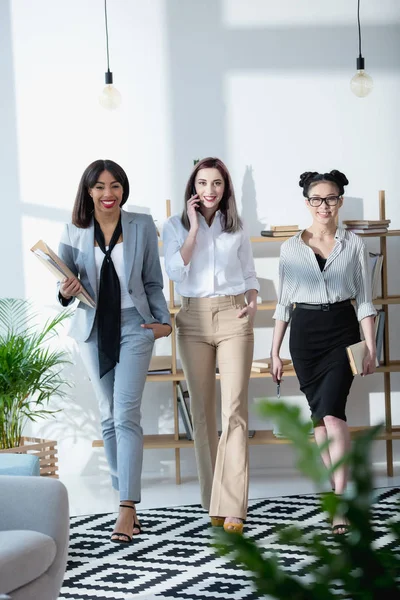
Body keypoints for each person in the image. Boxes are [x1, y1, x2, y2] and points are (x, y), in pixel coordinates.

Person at [58, 159, 171, 543]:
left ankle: (127, 507)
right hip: (93, 328)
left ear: (124, 189)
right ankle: (121, 496)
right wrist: (64, 291)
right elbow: (63, 283)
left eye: (116, 185)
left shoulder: (140, 225)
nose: (109, 193)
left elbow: (153, 281)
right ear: (88, 191)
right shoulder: (74, 230)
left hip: (135, 326)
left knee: (125, 412)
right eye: (100, 187)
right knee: (108, 415)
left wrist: (163, 321)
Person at [270, 169, 377, 534]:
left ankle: (341, 501)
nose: (324, 205)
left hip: (342, 332)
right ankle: (336, 484)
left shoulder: (355, 245)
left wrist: (371, 346)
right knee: (319, 416)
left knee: (333, 413)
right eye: (317, 199)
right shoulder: (290, 248)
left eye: (331, 198)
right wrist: (274, 352)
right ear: (307, 203)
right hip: (304, 337)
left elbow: (364, 300)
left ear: (340, 201)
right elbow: (283, 305)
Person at [163, 157, 259, 534]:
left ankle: (234, 506)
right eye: (203, 183)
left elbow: (249, 271)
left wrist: (252, 299)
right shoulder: (174, 226)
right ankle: (212, 503)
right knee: (202, 415)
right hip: (192, 319)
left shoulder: (236, 225)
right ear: (192, 187)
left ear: (225, 188)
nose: (209, 190)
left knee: (234, 409)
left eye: (216, 183)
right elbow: (175, 270)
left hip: (234, 315)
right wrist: (191, 231)